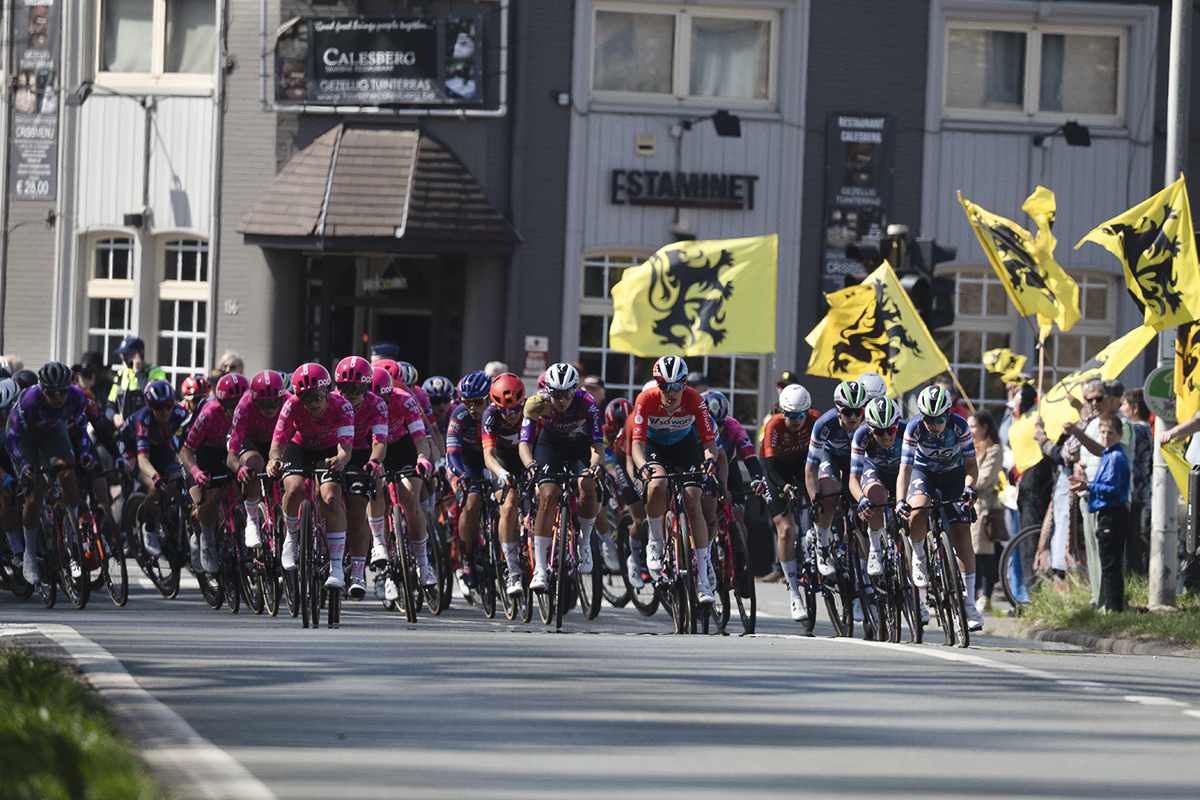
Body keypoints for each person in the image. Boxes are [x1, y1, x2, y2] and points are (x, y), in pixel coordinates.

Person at [629, 356, 721, 604]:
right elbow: (636, 445)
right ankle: (655, 540)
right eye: (665, 386)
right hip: (655, 446)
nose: (671, 392)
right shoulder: (645, 399)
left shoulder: (695, 399)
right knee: (657, 485)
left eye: (677, 385)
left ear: (684, 384)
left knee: (693, 503)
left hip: (684, 447)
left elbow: (709, 443)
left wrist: (710, 460)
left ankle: (703, 579)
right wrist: (642, 465)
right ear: (657, 384)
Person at [896, 384, 984, 631]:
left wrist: (969, 487)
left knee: (962, 535)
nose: (933, 424)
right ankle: (919, 557)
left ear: (948, 414)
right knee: (917, 511)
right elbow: (905, 470)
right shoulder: (914, 428)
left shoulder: (959, 425)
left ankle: (968, 604)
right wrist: (901, 500)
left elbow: (971, 466)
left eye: (939, 419)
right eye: (928, 419)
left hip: (954, 475)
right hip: (924, 474)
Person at [267, 364, 354, 590]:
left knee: (331, 497)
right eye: (306, 397)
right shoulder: (291, 404)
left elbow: (346, 448)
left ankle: (336, 566)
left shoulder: (342, 405)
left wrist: (341, 460)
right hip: (300, 447)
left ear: (327, 391)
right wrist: (274, 460)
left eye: (317, 395)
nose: (313, 403)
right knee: (294, 488)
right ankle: (291, 538)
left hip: (329, 450)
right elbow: (277, 443)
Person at [520, 362, 605, 591]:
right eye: (555, 393)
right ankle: (540, 568)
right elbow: (525, 444)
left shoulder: (587, 403)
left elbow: (597, 445)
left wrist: (595, 466)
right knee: (548, 495)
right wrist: (530, 465)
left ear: (574, 389)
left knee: (588, 485)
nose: (561, 399)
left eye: (567, 393)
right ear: (547, 390)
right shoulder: (536, 402)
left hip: (580, 447)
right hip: (551, 446)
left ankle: (584, 543)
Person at [6, 362, 90, 584]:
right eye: (52, 393)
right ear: (42, 389)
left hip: (52, 431)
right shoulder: (29, 399)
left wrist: (84, 453)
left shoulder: (76, 396)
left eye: (63, 391)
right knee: (34, 497)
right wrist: (24, 464)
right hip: (23, 440)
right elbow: (11, 439)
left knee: (68, 471)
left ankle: (71, 539)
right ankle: (29, 553)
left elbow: (82, 431)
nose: (58, 397)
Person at [1066, 378, 1133, 608]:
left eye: (1099, 398)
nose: (1093, 403)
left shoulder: (1120, 425)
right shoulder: (1093, 423)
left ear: (1112, 399)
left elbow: (1107, 453)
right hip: (1092, 497)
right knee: (1095, 554)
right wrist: (1078, 464)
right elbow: (1085, 453)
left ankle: (1111, 604)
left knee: (1110, 558)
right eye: (1089, 400)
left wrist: (1077, 431)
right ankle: (1099, 600)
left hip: (1111, 501)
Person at [368, 366, 435, 592]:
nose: (380, 404)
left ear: (390, 392)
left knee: (411, 498)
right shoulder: (357, 403)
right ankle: (381, 550)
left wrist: (422, 458)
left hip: (400, 443)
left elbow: (420, 438)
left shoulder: (404, 399)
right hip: (372, 445)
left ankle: (423, 563)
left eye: (384, 399)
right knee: (375, 486)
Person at [331, 356, 389, 599]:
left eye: (357, 388)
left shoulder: (377, 404)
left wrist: (374, 461)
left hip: (359, 452)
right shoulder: (330, 400)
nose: (351, 394)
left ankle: (357, 571)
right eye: (345, 388)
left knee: (356, 507)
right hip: (329, 449)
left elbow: (380, 441)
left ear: (367, 387)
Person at [759, 384, 818, 621]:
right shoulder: (773, 425)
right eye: (791, 415)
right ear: (782, 412)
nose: (796, 420)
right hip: (776, 472)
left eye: (801, 414)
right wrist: (785, 487)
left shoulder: (815, 420)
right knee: (786, 530)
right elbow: (771, 469)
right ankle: (794, 593)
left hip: (802, 465)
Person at [179, 373, 246, 574]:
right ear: (222, 405)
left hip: (231, 448)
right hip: (202, 449)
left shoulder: (250, 410)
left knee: (243, 488)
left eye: (242, 404)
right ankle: (205, 539)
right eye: (233, 406)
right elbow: (185, 451)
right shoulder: (209, 413)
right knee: (212, 496)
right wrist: (195, 471)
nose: (238, 410)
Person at [806, 380, 869, 578]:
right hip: (830, 458)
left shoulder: (870, 423)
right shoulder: (824, 424)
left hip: (856, 461)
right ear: (837, 408)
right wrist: (815, 499)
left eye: (858, 411)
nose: (853, 417)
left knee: (864, 504)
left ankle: (856, 552)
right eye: (847, 412)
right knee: (829, 493)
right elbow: (811, 469)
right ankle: (822, 547)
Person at [124, 379, 188, 559]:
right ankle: (149, 527)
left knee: (177, 481)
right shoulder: (142, 419)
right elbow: (143, 460)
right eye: (159, 407)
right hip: (133, 451)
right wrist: (156, 477)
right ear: (149, 406)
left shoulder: (180, 413)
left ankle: (172, 523)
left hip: (161, 448)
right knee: (155, 487)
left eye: (168, 405)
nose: (165, 411)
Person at [226, 370, 288, 551]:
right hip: (249, 441)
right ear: (254, 400)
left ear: (282, 398)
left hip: (276, 442)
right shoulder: (244, 405)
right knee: (255, 464)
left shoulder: (289, 401)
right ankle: (252, 520)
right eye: (263, 403)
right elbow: (231, 456)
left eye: (274, 402)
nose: (269, 408)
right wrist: (239, 468)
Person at [481, 373, 529, 596]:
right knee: (509, 506)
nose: (512, 415)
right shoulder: (490, 415)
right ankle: (513, 571)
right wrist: (501, 473)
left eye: (516, 409)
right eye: (506, 411)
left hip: (527, 456)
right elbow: (488, 456)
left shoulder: (531, 409)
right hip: (502, 460)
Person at [446, 370, 493, 594]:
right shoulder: (459, 415)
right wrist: (460, 474)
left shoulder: (498, 413)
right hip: (464, 461)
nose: (472, 407)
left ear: (489, 399)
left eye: (478, 402)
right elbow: (451, 453)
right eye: (467, 402)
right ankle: (467, 558)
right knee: (471, 503)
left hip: (490, 458)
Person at [849, 396, 904, 578]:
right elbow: (853, 479)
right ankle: (875, 549)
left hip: (900, 471)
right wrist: (862, 499)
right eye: (880, 432)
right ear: (871, 430)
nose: (886, 436)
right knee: (877, 498)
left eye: (891, 429)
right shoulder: (861, 435)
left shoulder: (907, 430)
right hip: (875, 470)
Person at [967, 408, 1005, 612]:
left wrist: (965, 481)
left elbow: (984, 479)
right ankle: (971, 594)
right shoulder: (974, 447)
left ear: (985, 427)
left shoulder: (994, 450)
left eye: (974, 426)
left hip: (983, 508)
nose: (971, 431)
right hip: (969, 505)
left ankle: (986, 596)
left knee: (984, 553)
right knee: (971, 553)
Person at [1119, 388, 1152, 575]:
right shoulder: (1146, 428)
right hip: (1142, 489)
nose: (1120, 409)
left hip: (1135, 490)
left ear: (1135, 408)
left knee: (1132, 539)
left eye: (1124, 404)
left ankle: (1134, 576)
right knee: (1135, 537)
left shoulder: (1136, 430)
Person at [107, 336, 167, 429]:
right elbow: (109, 406)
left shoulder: (155, 373)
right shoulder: (122, 375)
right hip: (126, 430)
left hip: (148, 428)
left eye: (129, 355)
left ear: (140, 353)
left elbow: (156, 399)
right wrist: (114, 416)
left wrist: (138, 373)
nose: (125, 359)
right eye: (123, 355)